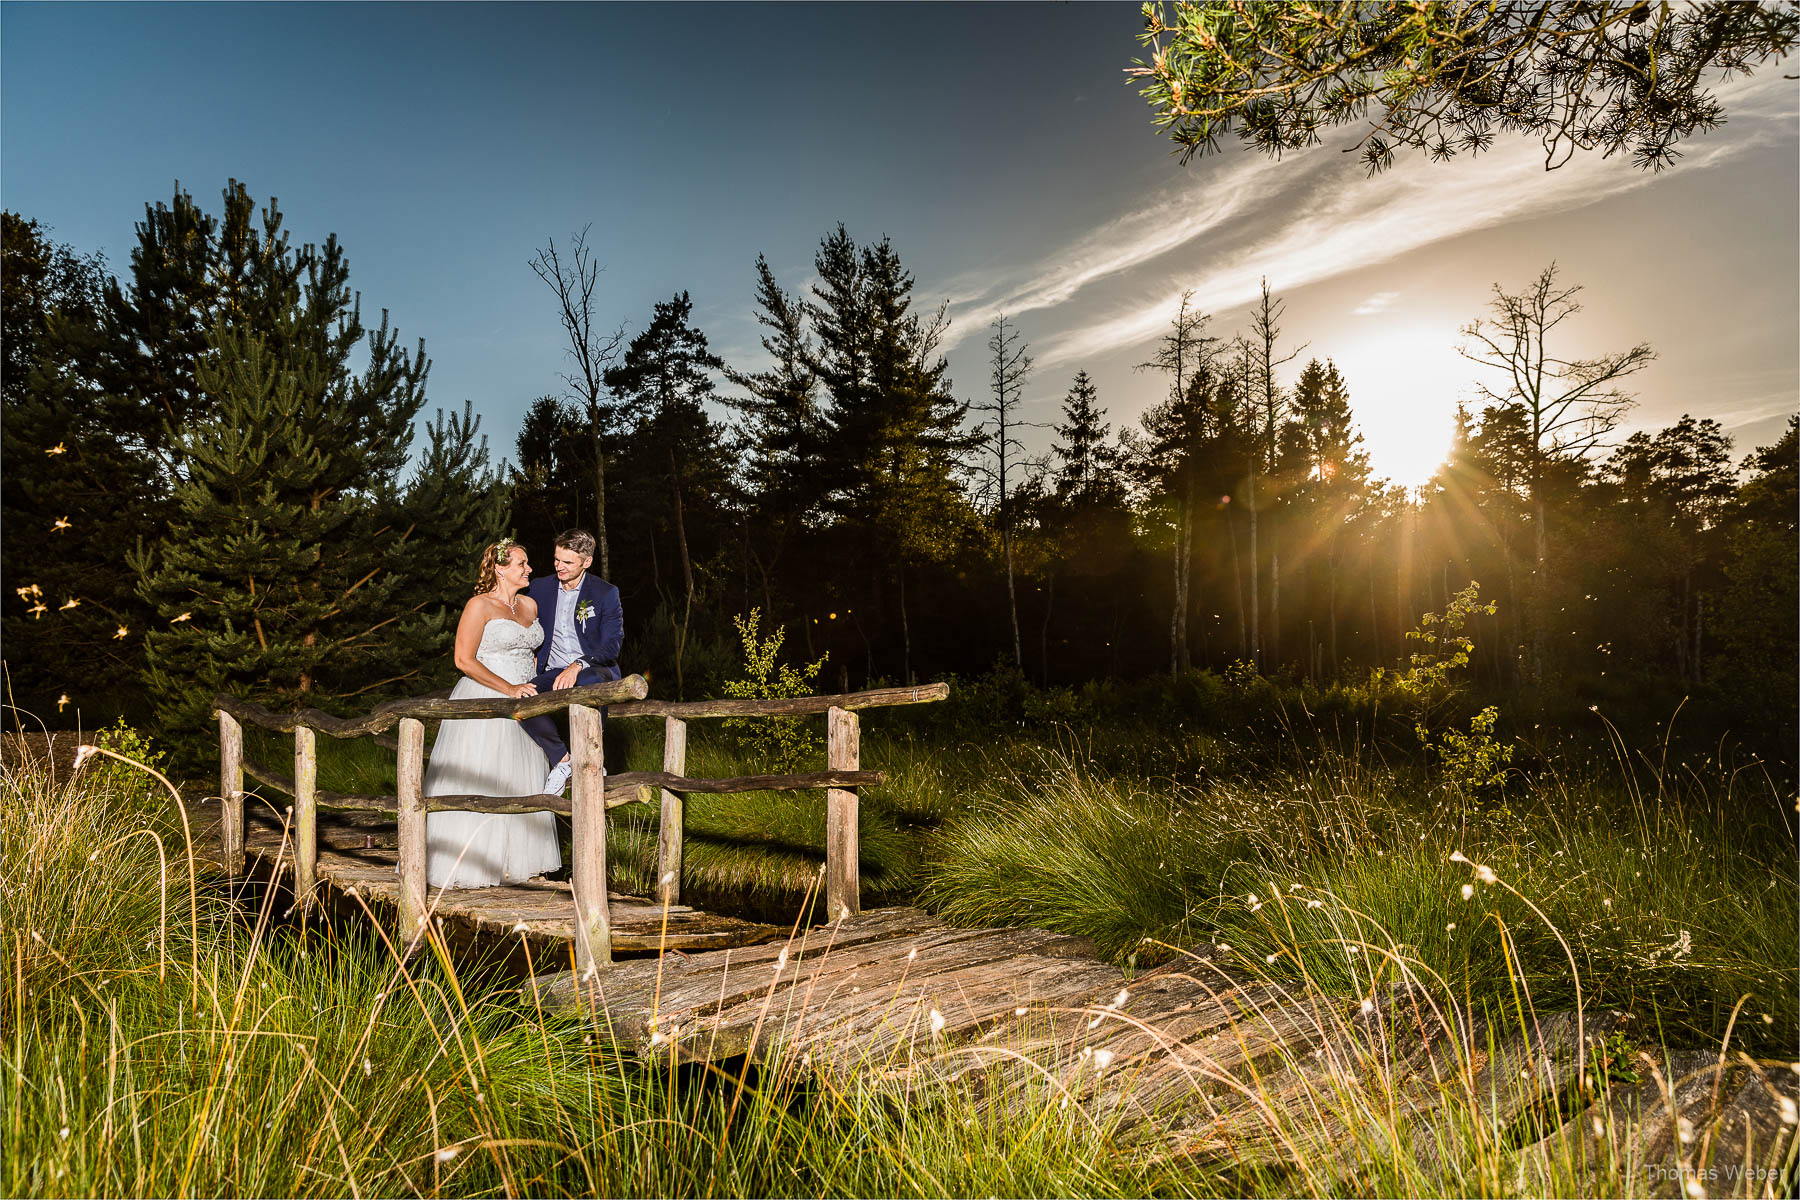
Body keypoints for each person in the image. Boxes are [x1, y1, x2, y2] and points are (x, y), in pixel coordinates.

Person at [421, 538, 563, 889]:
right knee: (485, 775)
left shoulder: (530, 605)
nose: (528, 569)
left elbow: (534, 654)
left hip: (527, 700)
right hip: (487, 697)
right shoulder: (479, 606)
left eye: (527, 563)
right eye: (521, 563)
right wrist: (509, 688)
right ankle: (473, 862)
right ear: (500, 568)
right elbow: (463, 660)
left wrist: (531, 686)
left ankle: (519, 863)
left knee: (521, 775)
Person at [522, 528, 624, 796]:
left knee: (589, 683)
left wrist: (578, 664)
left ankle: (591, 759)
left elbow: (612, 645)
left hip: (593, 668)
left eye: (568, 562)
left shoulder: (605, 593)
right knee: (523, 697)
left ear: (586, 562)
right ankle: (563, 760)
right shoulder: (540, 588)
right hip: (552, 670)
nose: (560, 567)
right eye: (557, 559)